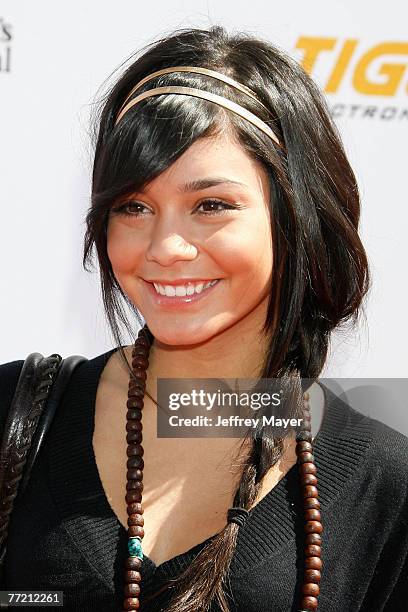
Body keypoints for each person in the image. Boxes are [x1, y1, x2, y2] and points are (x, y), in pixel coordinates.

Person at [1, 25, 407, 612]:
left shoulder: (380, 483)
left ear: (295, 214)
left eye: (210, 205)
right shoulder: (22, 416)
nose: (166, 246)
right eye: (133, 207)